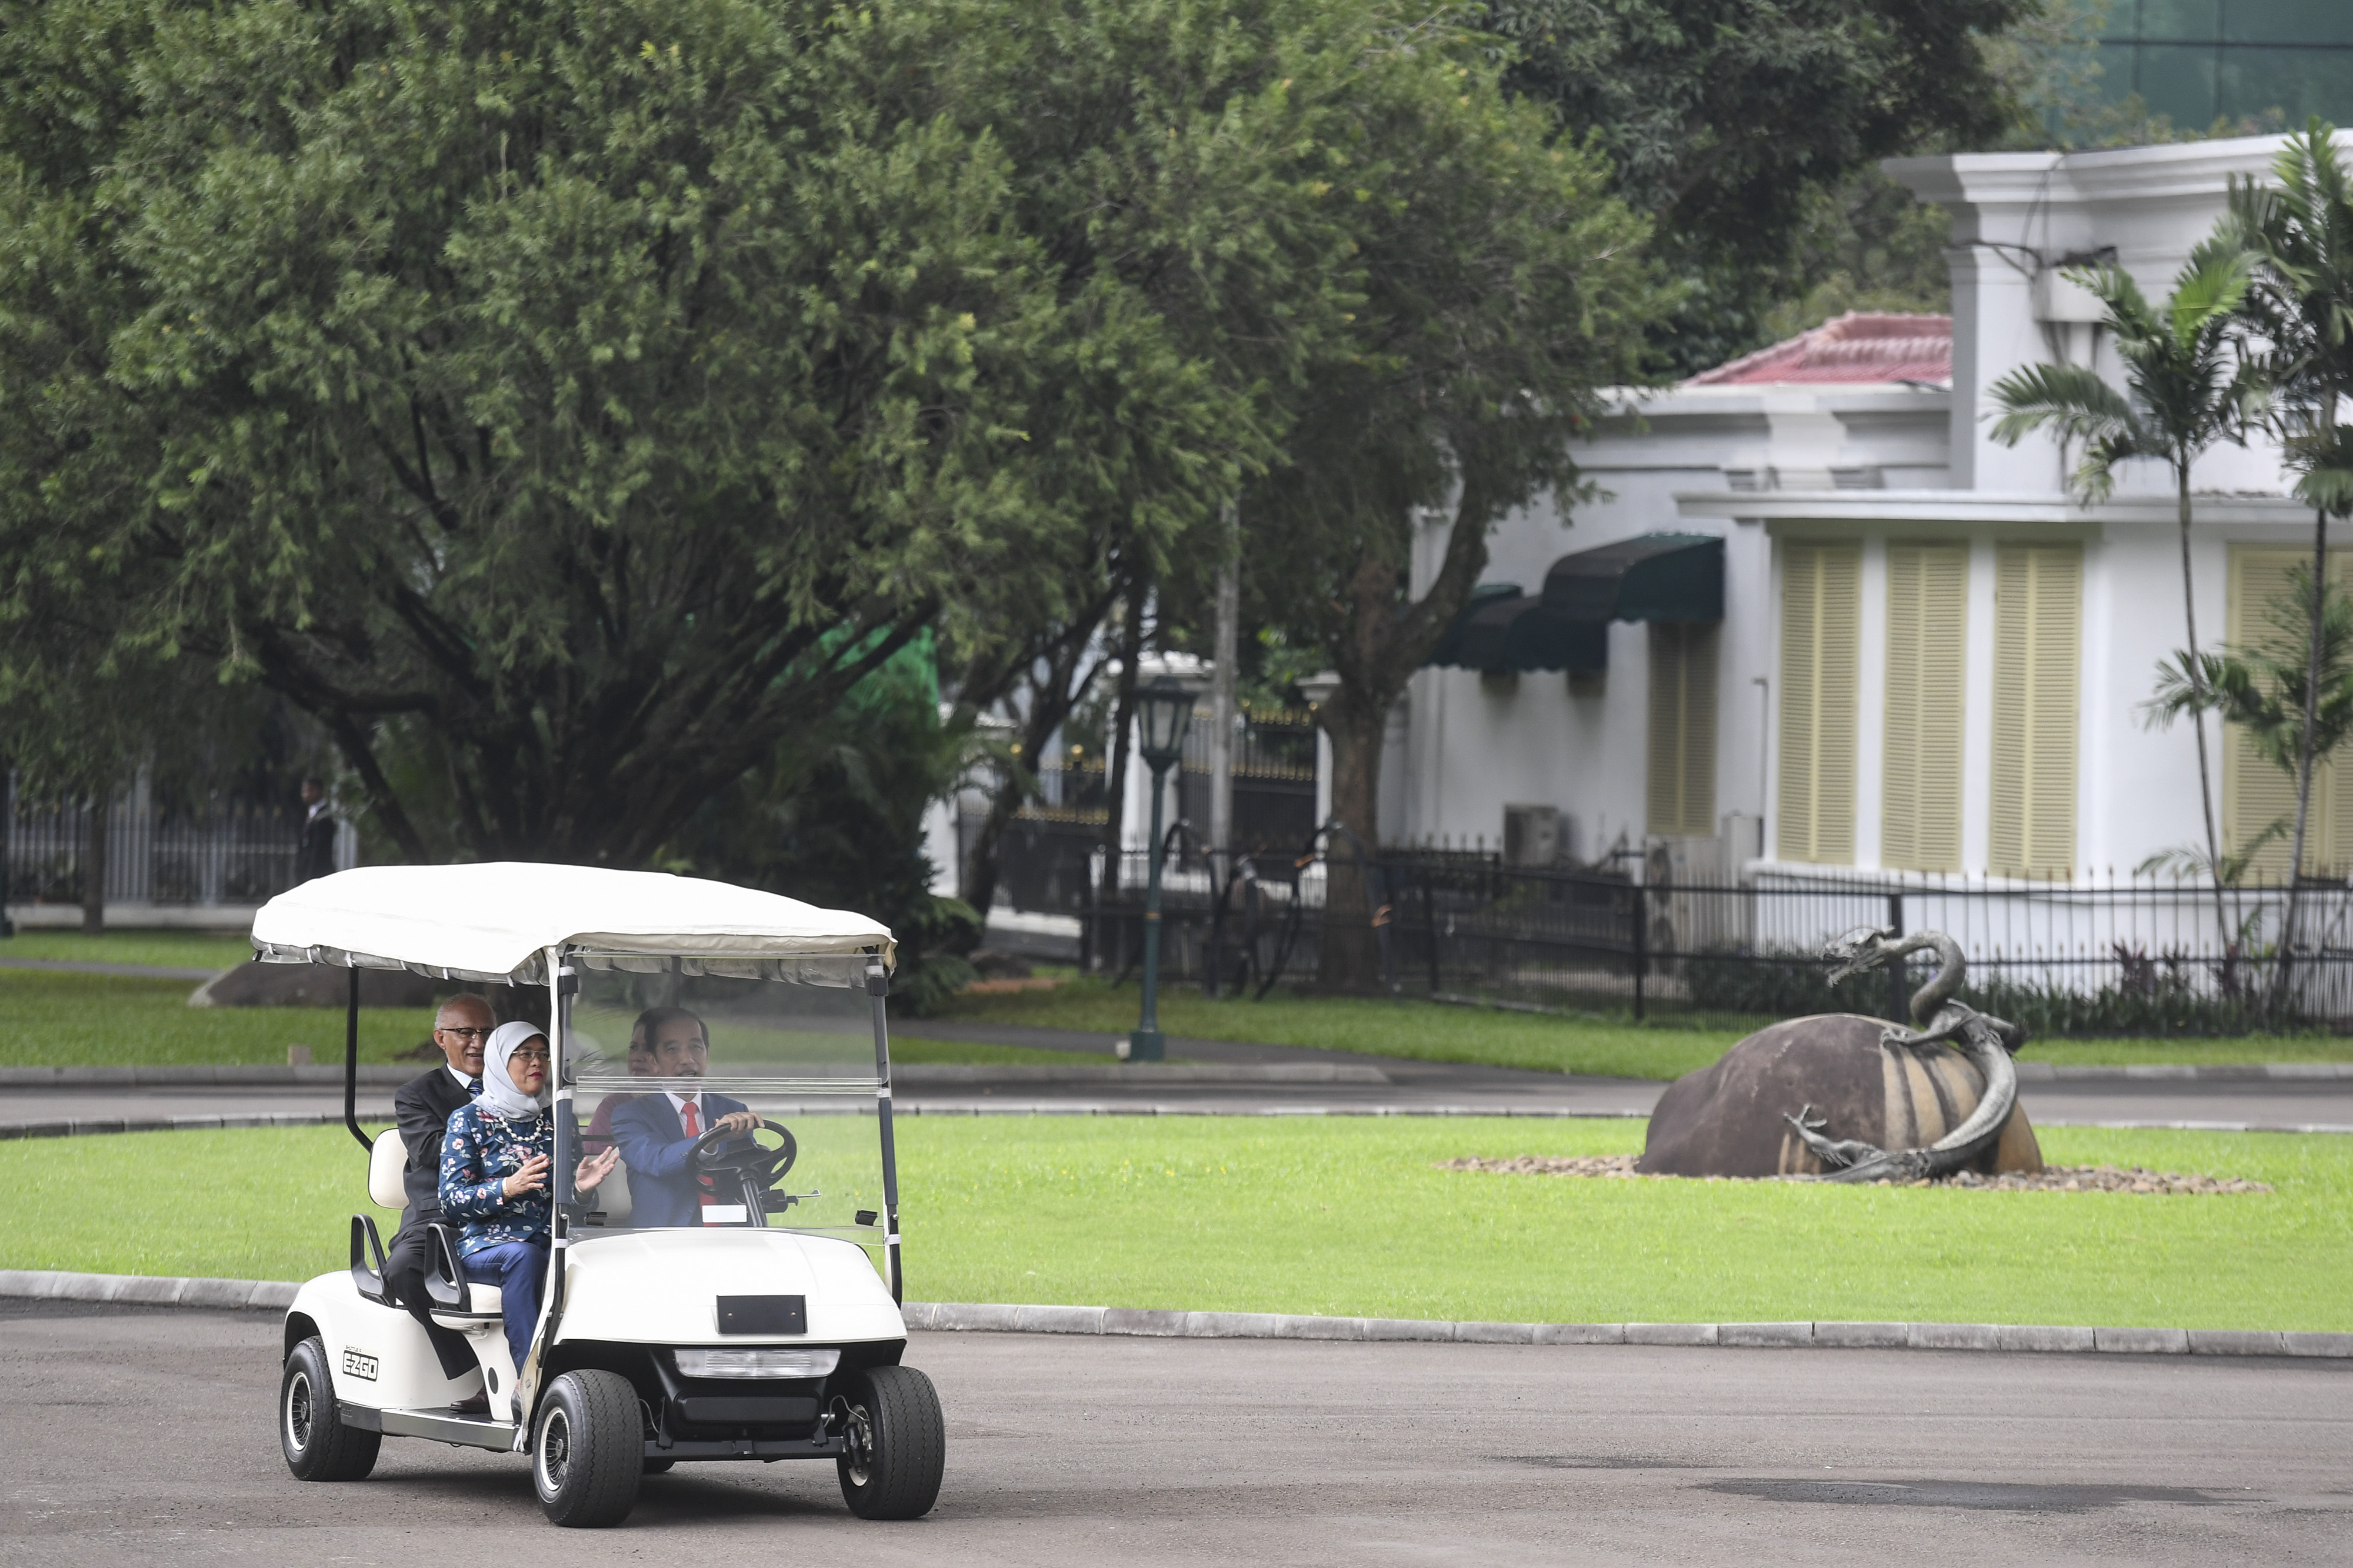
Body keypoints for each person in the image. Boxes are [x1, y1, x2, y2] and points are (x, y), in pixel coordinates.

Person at [439, 1022, 620, 1376]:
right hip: (491, 1247)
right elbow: (452, 1201)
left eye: (543, 1054)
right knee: (525, 1256)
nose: (537, 1062)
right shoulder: (469, 1120)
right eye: (524, 1055)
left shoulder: (557, 1120)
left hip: (552, 1240)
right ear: (498, 1062)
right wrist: (507, 1188)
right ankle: (532, 1379)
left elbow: (571, 1200)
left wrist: (581, 1189)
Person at [381, 995, 491, 1398]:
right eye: (466, 1032)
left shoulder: (518, 1085)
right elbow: (430, 1150)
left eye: (487, 1033)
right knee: (403, 1272)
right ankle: (477, 1368)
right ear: (440, 1038)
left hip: (508, 1213)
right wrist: (503, 1143)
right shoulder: (417, 1094)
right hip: (440, 1219)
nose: (478, 1042)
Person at [610, 1007, 759, 1228]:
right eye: (672, 1050)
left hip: (728, 1238)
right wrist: (711, 1138)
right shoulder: (630, 1115)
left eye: (695, 1047)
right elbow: (658, 1162)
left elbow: (749, 1175)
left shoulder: (732, 1109)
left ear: (707, 1056)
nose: (687, 1059)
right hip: (661, 1241)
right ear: (653, 1062)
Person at [580, 1013, 661, 1157]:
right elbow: (590, 1165)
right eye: (634, 1048)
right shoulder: (612, 1108)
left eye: (649, 1049)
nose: (638, 1057)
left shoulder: (688, 1105)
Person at [291, 777, 336, 885]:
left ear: (320, 791)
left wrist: (311, 873)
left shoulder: (325, 815)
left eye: (310, 790)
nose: (306, 795)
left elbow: (320, 847)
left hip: (318, 870)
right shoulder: (308, 812)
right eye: (305, 791)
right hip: (305, 867)